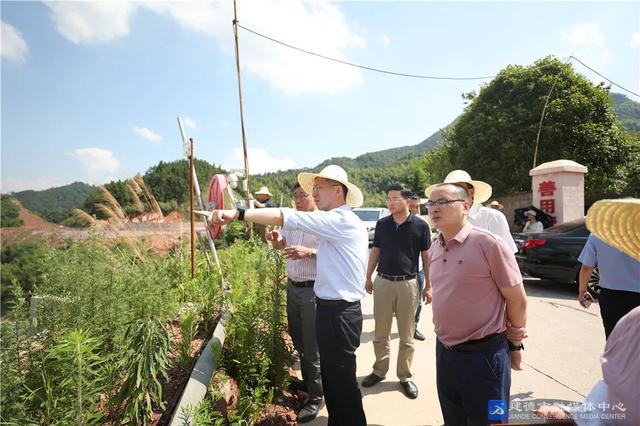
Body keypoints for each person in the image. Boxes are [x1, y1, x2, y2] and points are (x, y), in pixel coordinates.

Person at [197, 164, 368, 426]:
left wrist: (238, 213)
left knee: (342, 383)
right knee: (335, 382)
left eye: (318, 188)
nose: (314, 193)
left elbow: (287, 215)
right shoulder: (334, 221)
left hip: (340, 312)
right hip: (330, 309)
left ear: (338, 190)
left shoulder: (340, 219)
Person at [426, 183, 528, 424]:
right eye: (431, 203)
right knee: (454, 418)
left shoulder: (489, 244)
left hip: (485, 357)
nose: (434, 208)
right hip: (446, 352)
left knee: (492, 421)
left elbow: (517, 299)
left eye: (443, 202)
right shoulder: (435, 247)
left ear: (466, 206)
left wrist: (515, 345)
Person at [362, 185, 431, 399]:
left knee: (407, 334)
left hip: (408, 284)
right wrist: (368, 276)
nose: (390, 203)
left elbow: (426, 257)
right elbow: (376, 250)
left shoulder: (421, 225)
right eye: (388, 198)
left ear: (407, 201)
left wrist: (429, 285)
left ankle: (405, 376)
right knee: (381, 333)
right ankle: (379, 371)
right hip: (383, 282)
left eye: (395, 198)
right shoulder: (382, 224)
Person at [266, 183, 323, 422]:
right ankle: (309, 382)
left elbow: (333, 253)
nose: (299, 199)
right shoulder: (291, 221)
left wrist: (309, 252)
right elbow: (282, 245)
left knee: (312, 346)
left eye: (303, 195)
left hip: (312, 290)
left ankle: (317, 396)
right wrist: (277, 240)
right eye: (296, 195)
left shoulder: (322, 221)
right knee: (298, 338)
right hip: (293, 287)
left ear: (314, 196)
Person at [534, 306, 640, 424]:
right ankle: (582, 417)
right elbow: (613, 373)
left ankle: (582, 417)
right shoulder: (635, 320)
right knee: (609, 386)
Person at [577, 199, 640, 340]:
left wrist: (582, 291)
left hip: (611, 297)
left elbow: (587, 267)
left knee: (613, 340)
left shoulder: (598, 235)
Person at [425, 170, 518, 253]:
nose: (454, 192)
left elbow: (507, 256)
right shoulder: (446, 219)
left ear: (472, 192)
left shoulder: (492, 217)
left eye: (459, 188)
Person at [407, 193, 432, 341]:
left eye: (417, 207)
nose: (415, 210)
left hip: (419, 270)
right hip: (401, 272)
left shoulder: (423, 224)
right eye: (411, 207)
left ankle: (413, 327)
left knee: (418, 302)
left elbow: (427, 251)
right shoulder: (395, 223)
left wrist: (429, 281)